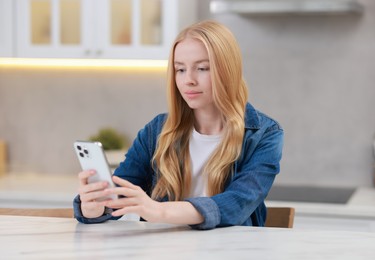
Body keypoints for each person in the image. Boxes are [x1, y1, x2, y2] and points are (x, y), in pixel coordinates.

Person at [73, 20, 284, 230]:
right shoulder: (156, 131)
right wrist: (96, 208)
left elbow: (237, 203)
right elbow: (121, 191)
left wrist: (159, 211)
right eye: (180, 70)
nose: (188, 80)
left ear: (228, 71)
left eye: (202, 68)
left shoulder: (265, 134)